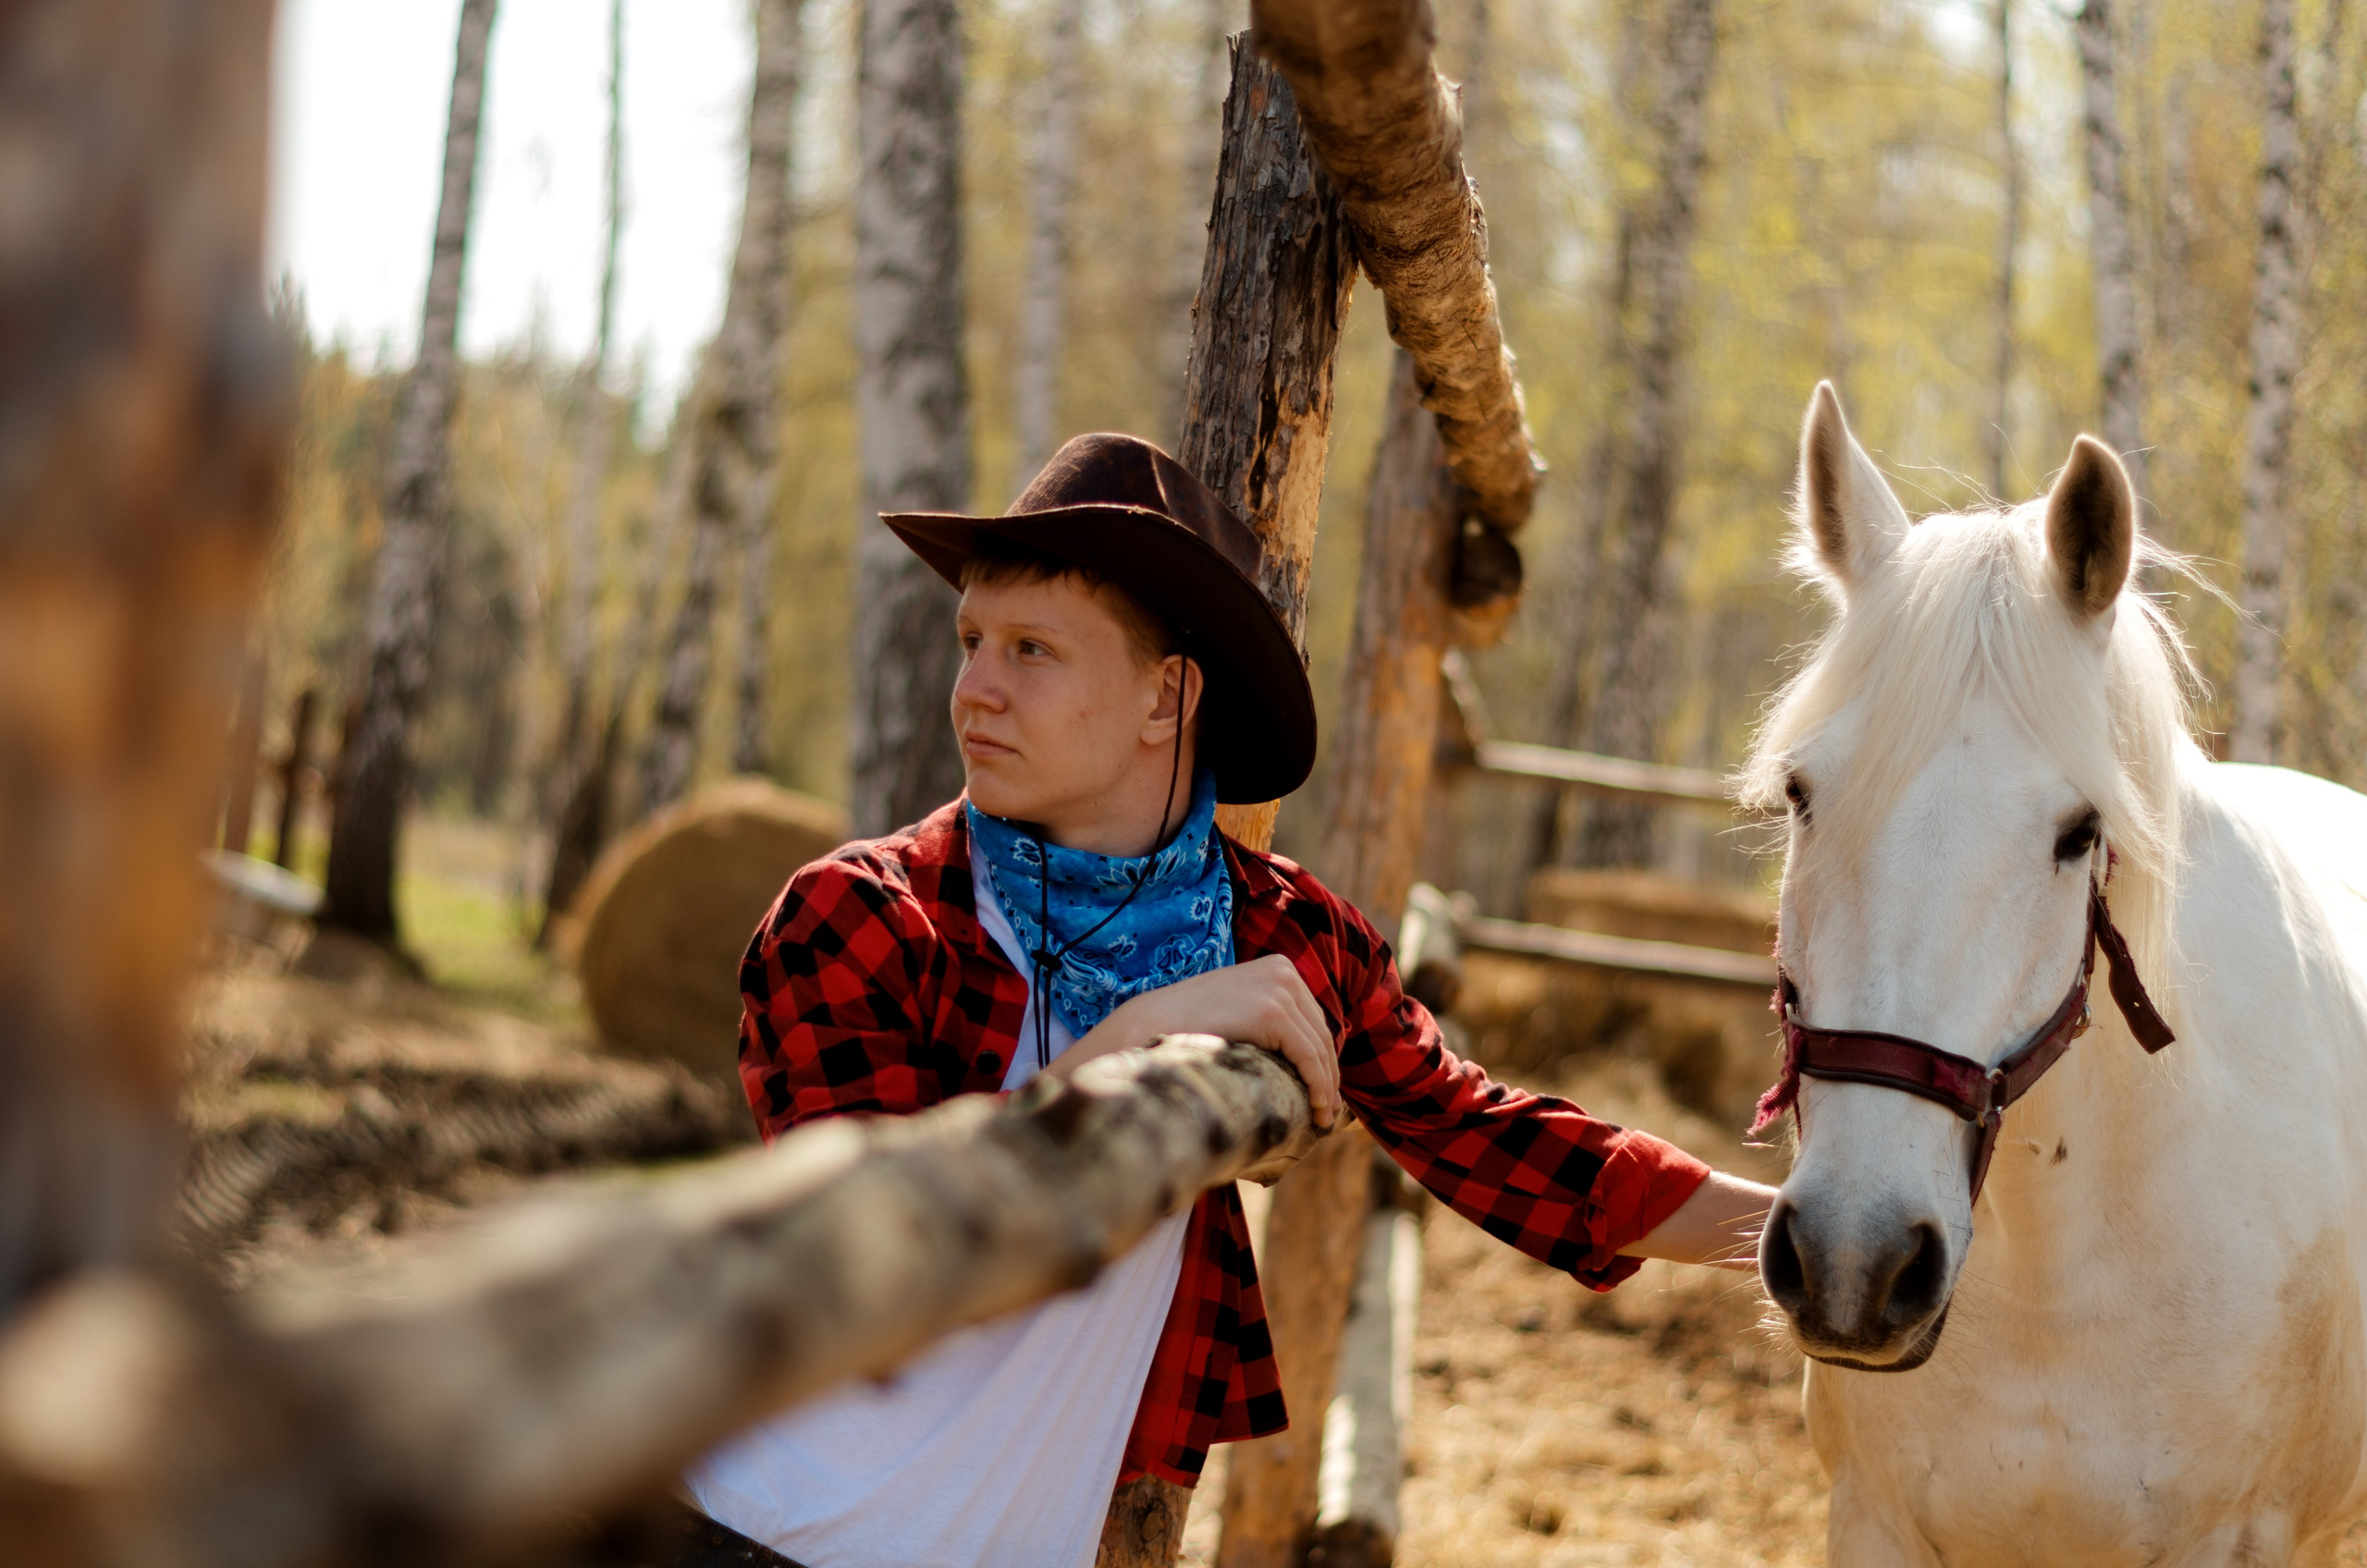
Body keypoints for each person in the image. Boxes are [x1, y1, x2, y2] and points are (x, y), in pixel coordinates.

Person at [687, 434, 1776, 1568]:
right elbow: (875, 1266)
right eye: (970, 640)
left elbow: (1497, 1141)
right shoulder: (863, 916)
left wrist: (1801, 1239)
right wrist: (1132, 1040)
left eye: (1030, 648)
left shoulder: (1285, 940)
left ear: (1168, 695)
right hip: (739, 1528)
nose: (975, 688)